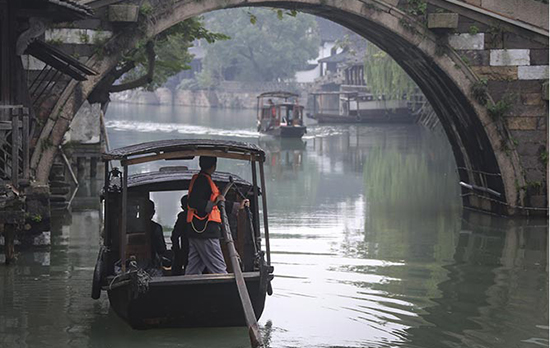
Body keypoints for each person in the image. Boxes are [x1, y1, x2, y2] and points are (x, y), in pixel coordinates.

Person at [186, 156, 248, 275]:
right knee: (219, 267)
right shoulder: (202, 181)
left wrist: (238, 206)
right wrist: (215, 202)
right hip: (205, 231)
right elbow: (193, 202)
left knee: (194, 268)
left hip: (198, 231)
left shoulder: (204, 180)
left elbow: (219, 204)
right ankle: (226, 290)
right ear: (214, 166)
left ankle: (186, 291)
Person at [144, 200, 168, 269]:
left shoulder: (131, 226)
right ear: (153, 212)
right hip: (153, 260)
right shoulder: (156, 227)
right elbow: (161, 247)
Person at [170, 195, 189, 275]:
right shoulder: (183, 217)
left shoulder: (182, 217)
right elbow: (175, 235)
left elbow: (175, 235)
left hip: (186, 247)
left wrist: (176, 249)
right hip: (188, 247)